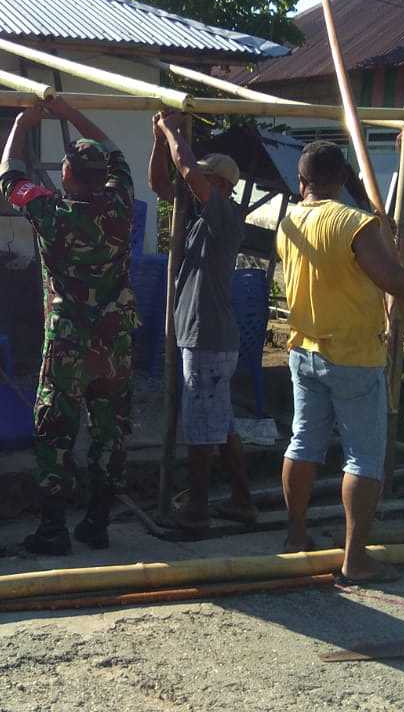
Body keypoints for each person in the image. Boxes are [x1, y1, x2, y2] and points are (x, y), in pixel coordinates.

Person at [276, 140, 404, 584]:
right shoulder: (356, 224)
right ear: (343, 178)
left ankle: (296, 535)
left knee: (302, 443)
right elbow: (388, 276)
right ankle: (356, 557)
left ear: (302, 182)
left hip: (304, 350)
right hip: (352, 355)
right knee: (363, 458)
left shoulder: (290, 222)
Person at [0, 97, 137, 554]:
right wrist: (74, 114)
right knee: (109, 429)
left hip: (69, 340)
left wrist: (23, 121)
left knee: (55, 426)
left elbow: (7, 175)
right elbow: (116, 153)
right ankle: (97, 522)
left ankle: (54, 528)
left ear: (68, 175)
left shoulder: (51, 213)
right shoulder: (121, 204)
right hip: (113, 340)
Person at [149, 113, 256, 533]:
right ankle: (242, 501)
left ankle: (198, 506)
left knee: (201, 427)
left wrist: (175, 132)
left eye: (209, 181)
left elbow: (189, 170)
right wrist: (160, 141)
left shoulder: (224, 218)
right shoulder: (197, 217)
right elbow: (162, 184)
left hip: (208, 336)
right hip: (204, 334)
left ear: (223, 187)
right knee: (220, 423)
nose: (198, 185)